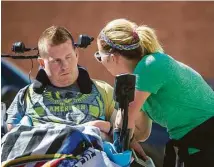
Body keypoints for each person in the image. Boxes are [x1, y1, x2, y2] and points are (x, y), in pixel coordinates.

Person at [6, 25, 147, 161]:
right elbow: (11, 140)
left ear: (76, 54)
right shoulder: (25, 96)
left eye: (68, 57)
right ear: (42, 63)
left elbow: (131, 133)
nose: (65, 66)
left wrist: (127, 136)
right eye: (56, 61)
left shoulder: (103, 91)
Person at [94, 18, 214, 167]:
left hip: (206, 139)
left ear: (112, 57)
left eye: (99, 56)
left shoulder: (149, 65)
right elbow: (142, 133)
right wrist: (125, 136)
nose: (99, 61)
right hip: (193, 144)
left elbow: (124, 124)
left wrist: (100, 127)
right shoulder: (140, 84)